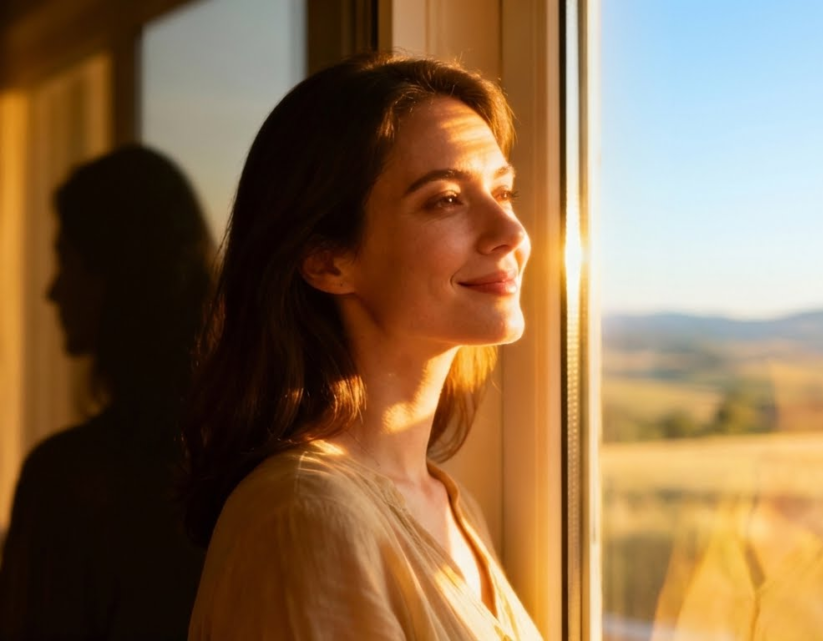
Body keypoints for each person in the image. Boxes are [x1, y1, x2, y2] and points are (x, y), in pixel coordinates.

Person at [182, 54, 543, 640]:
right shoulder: (304, 517)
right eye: (445, 199)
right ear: (327, 259)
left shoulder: (449, 507)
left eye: (503, 192)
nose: (512, 233)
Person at [0, 145, 212, 639]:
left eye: (66, 260)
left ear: (114, 271)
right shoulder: (240, 454)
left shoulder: (67, 480)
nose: (52, 290)